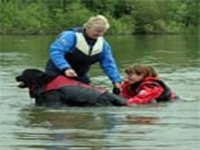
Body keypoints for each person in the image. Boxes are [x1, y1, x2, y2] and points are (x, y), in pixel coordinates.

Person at [45, 15, 121, 92]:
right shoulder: (70, 36)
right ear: (88, 27)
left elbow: (108, 64)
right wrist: (66, 68)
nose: (99, 34)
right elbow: (56, 52)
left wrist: (116, 81)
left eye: (102, 32)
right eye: (97, 31)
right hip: (57, 71)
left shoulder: (103, 45)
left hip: (79, 74)